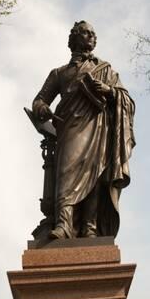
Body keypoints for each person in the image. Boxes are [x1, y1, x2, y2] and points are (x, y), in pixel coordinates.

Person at [32, 20, 135, 239]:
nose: (90, 37)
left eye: (92, 34)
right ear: (74, 39)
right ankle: (63, 225)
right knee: (65, 174)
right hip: (69, 129)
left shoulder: (106, 70)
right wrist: (42, 109)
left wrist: (109, 91)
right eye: (85, 33)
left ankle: (90, 228)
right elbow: (40, 100)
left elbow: (127, 100)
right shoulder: (59, 73)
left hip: (98, 129)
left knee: (95, 176)